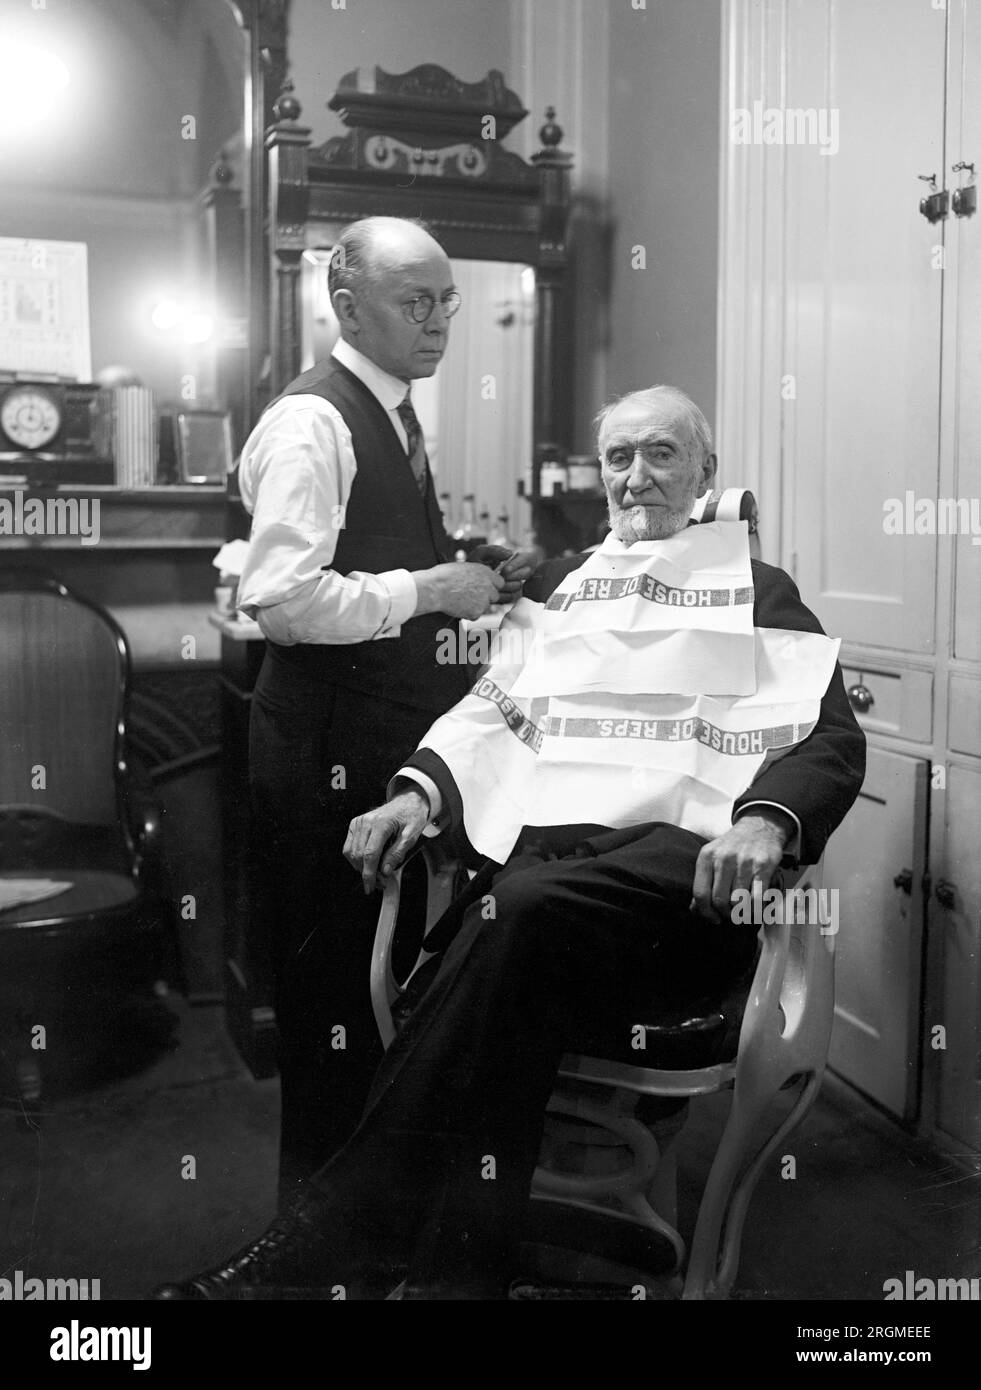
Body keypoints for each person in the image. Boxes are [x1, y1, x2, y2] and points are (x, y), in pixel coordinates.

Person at [158, 385, 865, 1300]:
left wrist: (766, 819)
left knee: (506, 916)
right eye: (619, 457)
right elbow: (492, 714)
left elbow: (829, 736)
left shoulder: (761, 593)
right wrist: (417, 792)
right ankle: (459, 1274)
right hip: (549, 894)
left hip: (677, 884)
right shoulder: (569, 588)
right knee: (509, 957)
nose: (637, 476)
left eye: (660, 454)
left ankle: (334, 1233)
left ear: (703, 473)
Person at [233, 215, 532, 1203]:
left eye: (447, 299)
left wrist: (460, 571)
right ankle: (312, 1233)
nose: (440, 319)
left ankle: (369, 1215)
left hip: (377, 747)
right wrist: (427, 591)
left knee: (376, 991)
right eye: (417, 300)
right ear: (346, 304)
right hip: (324, 749)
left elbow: (368, 555)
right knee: (329, 1005)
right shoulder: (313, 421)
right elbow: (278, 599)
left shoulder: (392, 411)